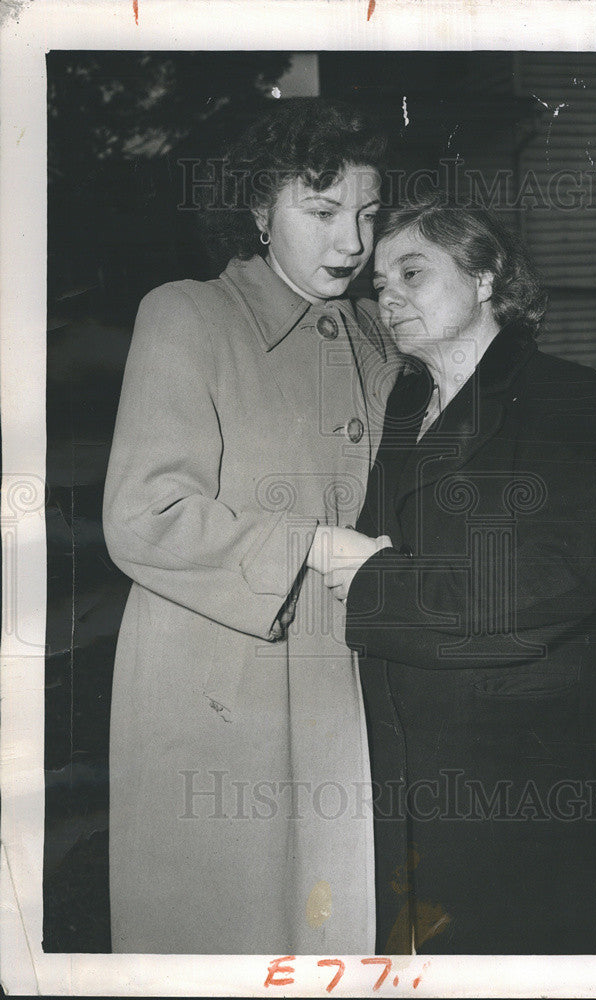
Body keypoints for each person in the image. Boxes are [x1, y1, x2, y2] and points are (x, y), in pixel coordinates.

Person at [103, 100, 400, 954]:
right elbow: (141, 516)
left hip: (347, 666)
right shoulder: (188, 315)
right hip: (218, 680)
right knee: (225, 925)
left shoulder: (377, 334)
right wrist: (307, 544)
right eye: (322, 212)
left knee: (331, 921)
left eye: (368, 215)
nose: (352, 241)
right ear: (257, 211)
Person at [310, 196, 596, 954]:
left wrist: (375, 577)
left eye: (413, 272)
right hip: (401, 752)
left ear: (486, 275)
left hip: (520, 772)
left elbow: (553, 581)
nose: (387, 296)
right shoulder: (408, 399)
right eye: (379, 282)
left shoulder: (569, 398)